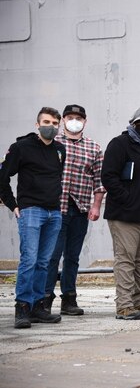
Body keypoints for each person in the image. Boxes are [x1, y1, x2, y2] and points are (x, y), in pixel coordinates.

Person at [1, 107, 65, 328]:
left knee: (44, 262)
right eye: (46, 122)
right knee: (29, 260)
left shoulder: (59, 149)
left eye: (55, 123)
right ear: (37, 124)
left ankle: (39, 305)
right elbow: (3, 177)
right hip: (31, 212)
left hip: (54, 213)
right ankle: (23, 307)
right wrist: (13, 205)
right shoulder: (21, 147)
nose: (51, 126)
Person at [102, 106, 140, 320]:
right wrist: (128, 199)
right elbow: (108, 177)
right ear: (133, 123)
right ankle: (124, 305)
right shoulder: (119, 144)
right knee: (126, 259)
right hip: (125, 215)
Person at [42, 105, 105, 316]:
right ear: (63, 120)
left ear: (85, 122)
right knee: (52, 256)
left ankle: (69, 299)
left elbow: (99, 181)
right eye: (70, 117)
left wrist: (96, 206)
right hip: (55, 208)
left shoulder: (94, 147)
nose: (74, 121)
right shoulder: (53, 142)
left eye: (78, 118)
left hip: (80, 208)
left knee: (72, 257)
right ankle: (45, 298)